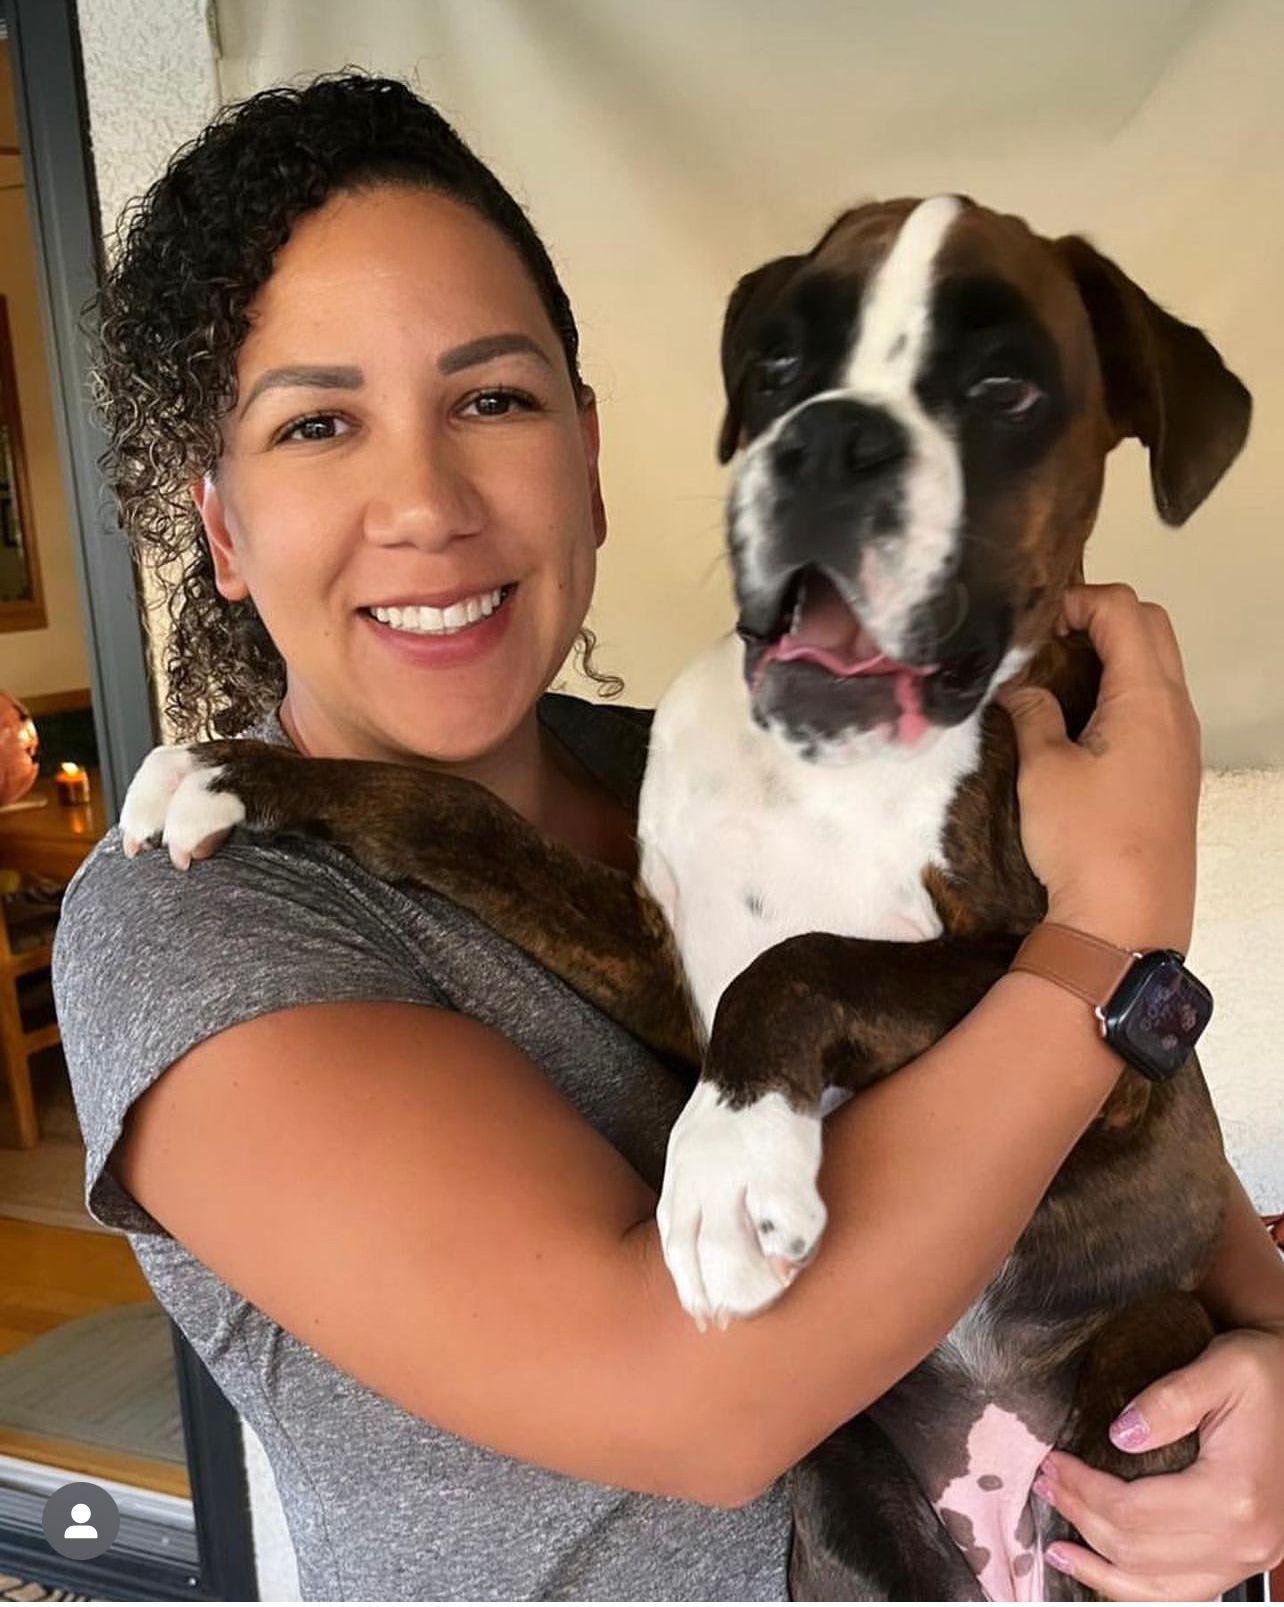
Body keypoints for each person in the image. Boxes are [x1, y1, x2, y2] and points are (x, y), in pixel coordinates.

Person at [53, 73, 1283, 1602]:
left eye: (491, 400)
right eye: (318, 424)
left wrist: (1274, 1376)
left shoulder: (709, 757)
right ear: (222, 533)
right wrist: (1111, 928)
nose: (423, 501)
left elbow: (1138, 1115)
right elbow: (701, 1409)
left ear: (590, 456)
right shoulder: (192, 920)